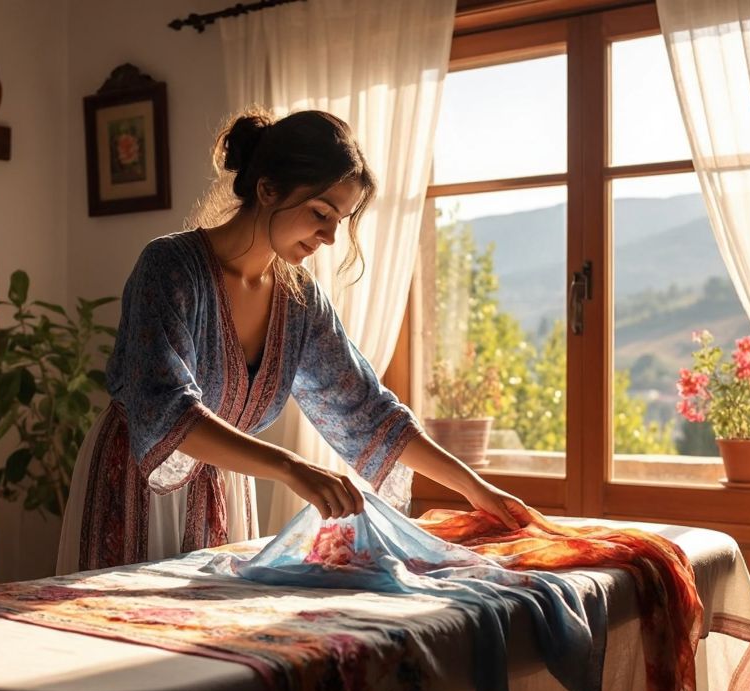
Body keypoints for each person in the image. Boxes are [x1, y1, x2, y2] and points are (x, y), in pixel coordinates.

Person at [56, 108, 530, 574]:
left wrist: (477, 490)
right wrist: (291, 468)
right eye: (320, 213)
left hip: (224, 491)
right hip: (138, 480)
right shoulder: (169, 267)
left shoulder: (299, 300)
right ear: (267, 190)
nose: (329, 236)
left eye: (339, 220)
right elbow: (168, 410)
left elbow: (370, 411)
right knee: (119, 621)